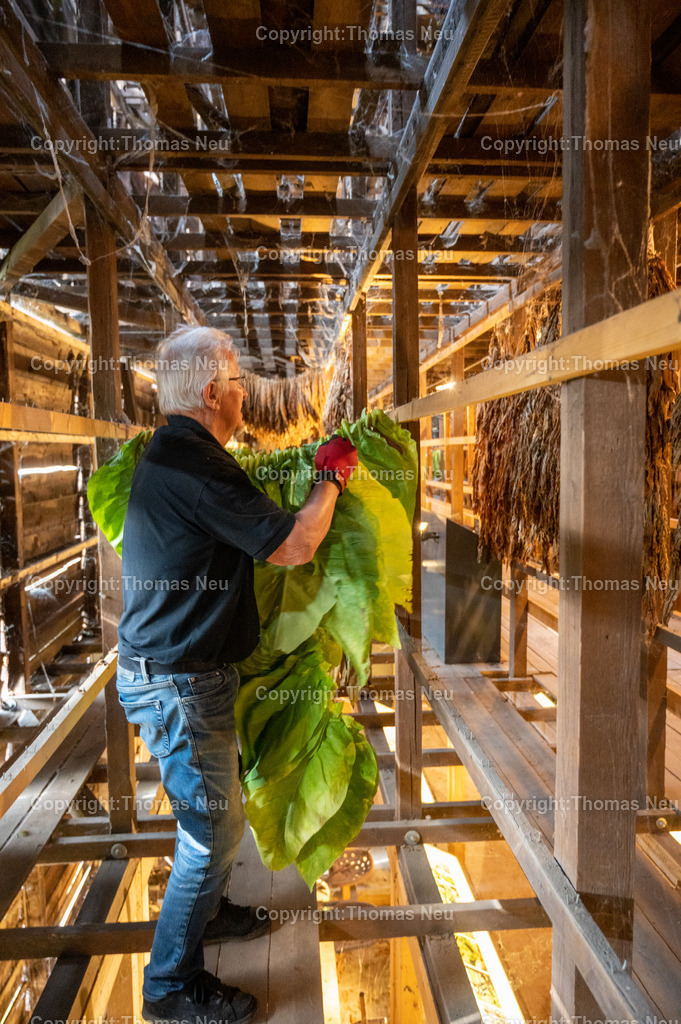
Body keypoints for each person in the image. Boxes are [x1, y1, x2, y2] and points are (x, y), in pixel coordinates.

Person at [116, 326, 357, 1024]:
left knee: (210, 819)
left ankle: (210, 912)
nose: (246, 394)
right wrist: (330, 475)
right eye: (240, 383)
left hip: (182, 671)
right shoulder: (197, 468)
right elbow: (293, 544)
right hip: (179, 680)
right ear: (213, 391)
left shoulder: (180, 455)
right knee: (211, 830)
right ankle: (168, 987)